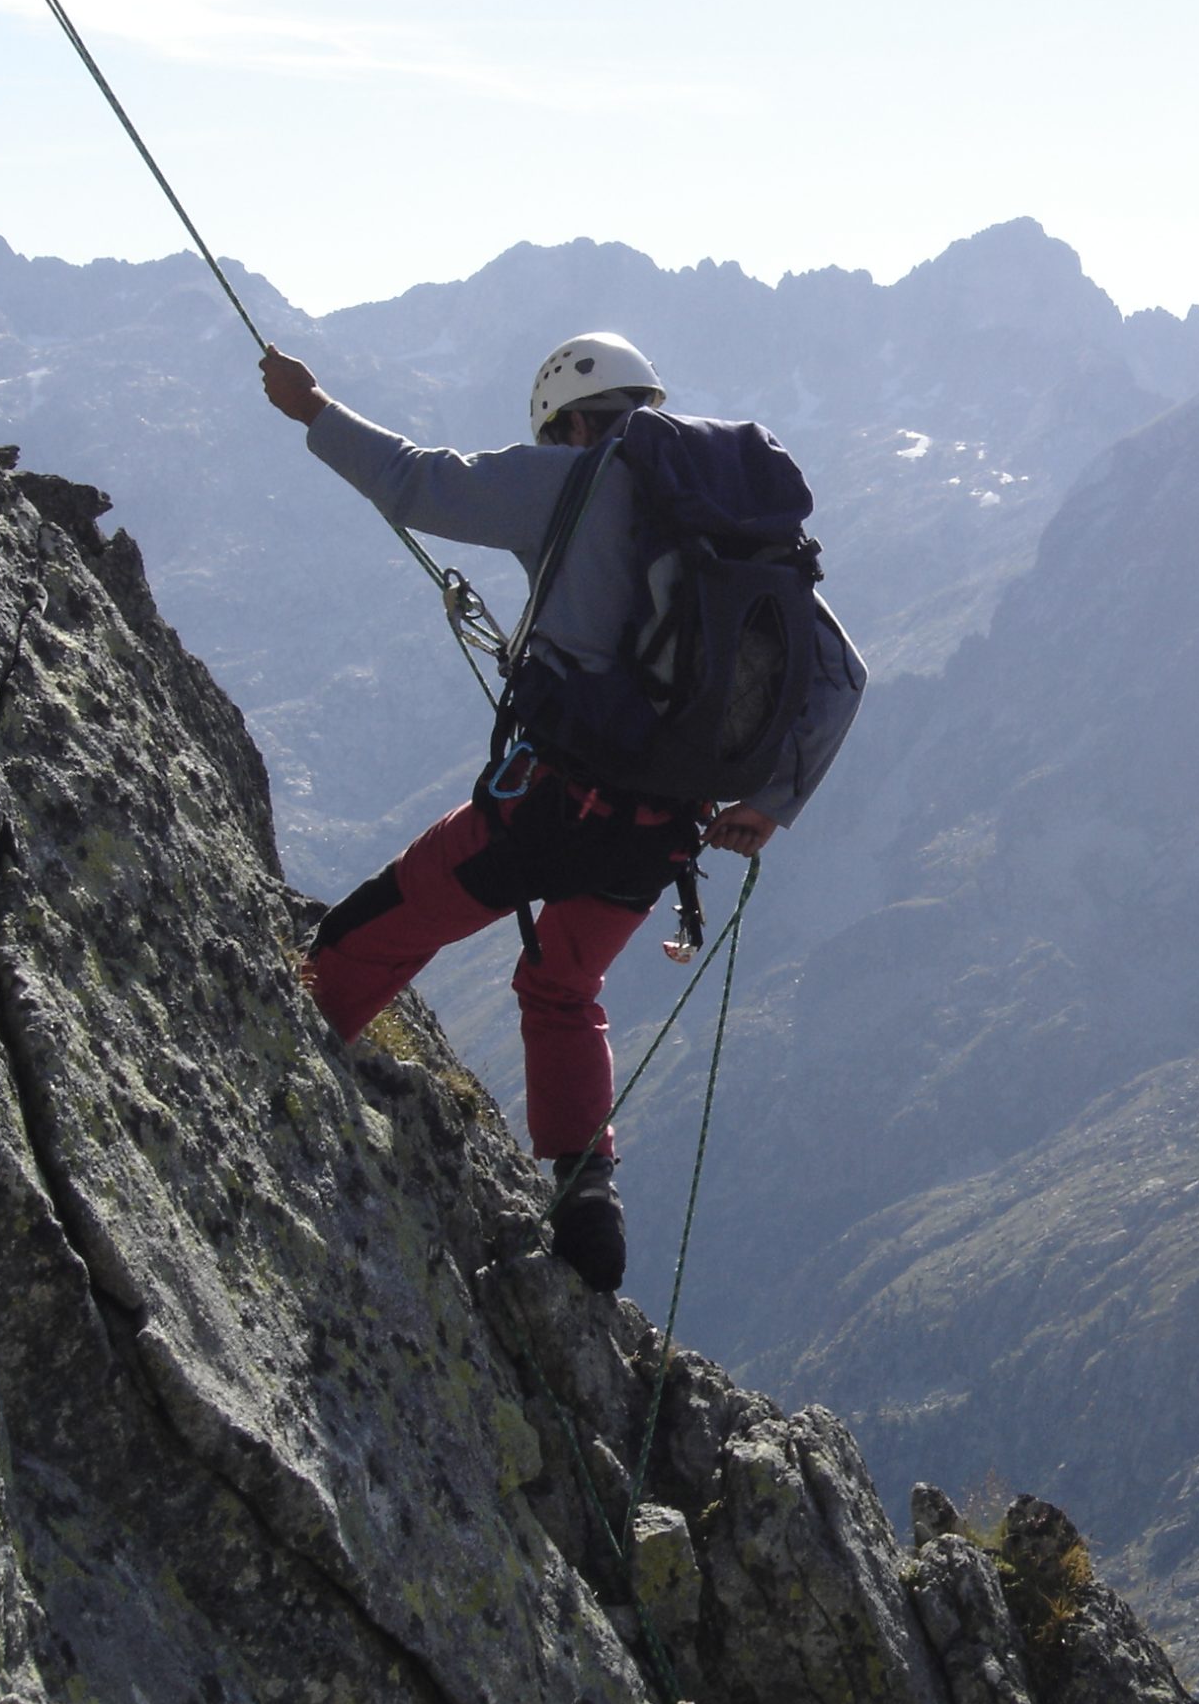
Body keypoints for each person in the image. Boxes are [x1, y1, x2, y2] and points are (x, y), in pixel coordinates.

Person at [258, 332, 865, 1290]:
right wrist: (769, 806)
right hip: (662, 830)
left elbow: (418, 483)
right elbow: (840, 676)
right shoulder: (740, 530)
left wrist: (314, 410)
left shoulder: (573, 479)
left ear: (575, 423)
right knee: (562, 989)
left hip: (550, 800)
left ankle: (274, 1065)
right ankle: (588, 1198)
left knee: (390, 919)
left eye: (557, 432)